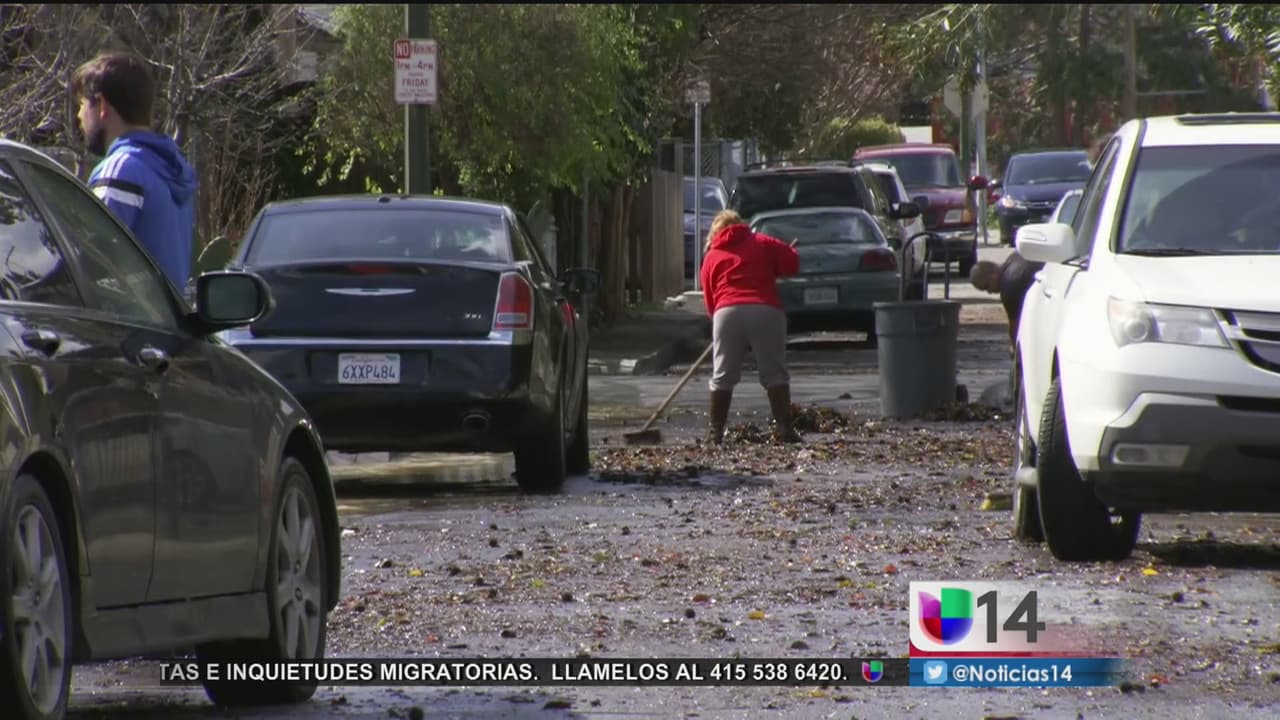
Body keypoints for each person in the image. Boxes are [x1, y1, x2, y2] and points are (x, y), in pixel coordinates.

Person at [71, 51, 198, 290]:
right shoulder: (171, 169)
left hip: (129, 325)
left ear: (102, 106)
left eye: (82, 104)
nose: (79, 115)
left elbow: (89, 260)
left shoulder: (121, 169)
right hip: (167, 324)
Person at [699, 209, 801, 445]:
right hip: (765, 310)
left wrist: (719, 321)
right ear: (740, 225)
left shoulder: (712, 255)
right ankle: (785, 429)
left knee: (722, 375)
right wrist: (788, 254)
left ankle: (715, 433)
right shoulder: (763, 242)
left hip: (727, 312)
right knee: (774, 372)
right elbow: (792, 264)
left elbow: (709, 297)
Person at [970, 252, 1044, 348]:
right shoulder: (1014, 257)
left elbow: (1015, 326)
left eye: (986, 286)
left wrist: (1014, 349)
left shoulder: (1009, 288)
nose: (989, 292)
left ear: (993, 275)